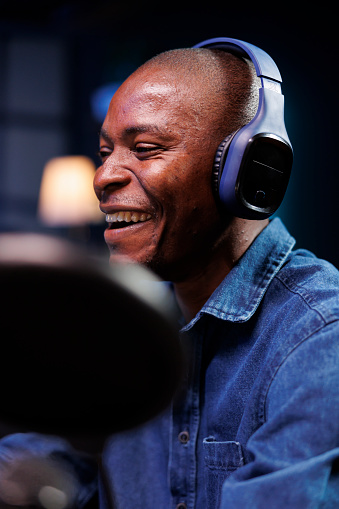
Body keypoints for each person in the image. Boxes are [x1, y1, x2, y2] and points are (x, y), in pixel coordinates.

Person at [1, 39, 339, 508]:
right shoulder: (121, 329)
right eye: (105, 152)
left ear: (249, 170)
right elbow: (36, 463)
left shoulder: (321, 336)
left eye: (144, 149)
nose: (102, 178)